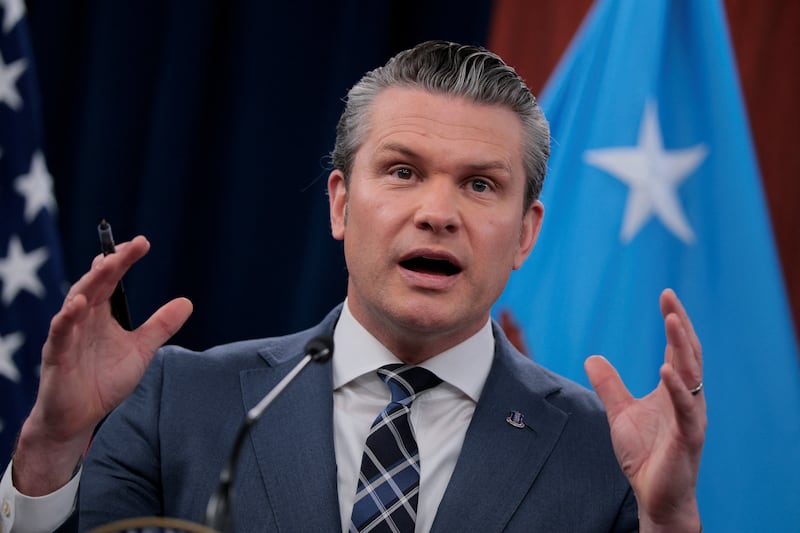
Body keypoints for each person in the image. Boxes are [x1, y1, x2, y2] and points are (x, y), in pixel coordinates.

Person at [0, 40, 706, 532]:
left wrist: (668, 523)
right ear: (340, 203)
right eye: (402, 171)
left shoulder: (604, 454)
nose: (437, 212)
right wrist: (52, 447)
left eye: (481, 184)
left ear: (525, 232)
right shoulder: (173, 402)